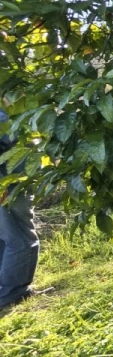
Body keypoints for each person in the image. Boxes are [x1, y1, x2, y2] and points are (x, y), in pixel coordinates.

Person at [0, 108, 39, 309]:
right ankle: (14, 292)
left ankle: (5, 288)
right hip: (9, 184)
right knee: (20, 238)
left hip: (11, 182)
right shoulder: (3, 118)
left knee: (6, 238)